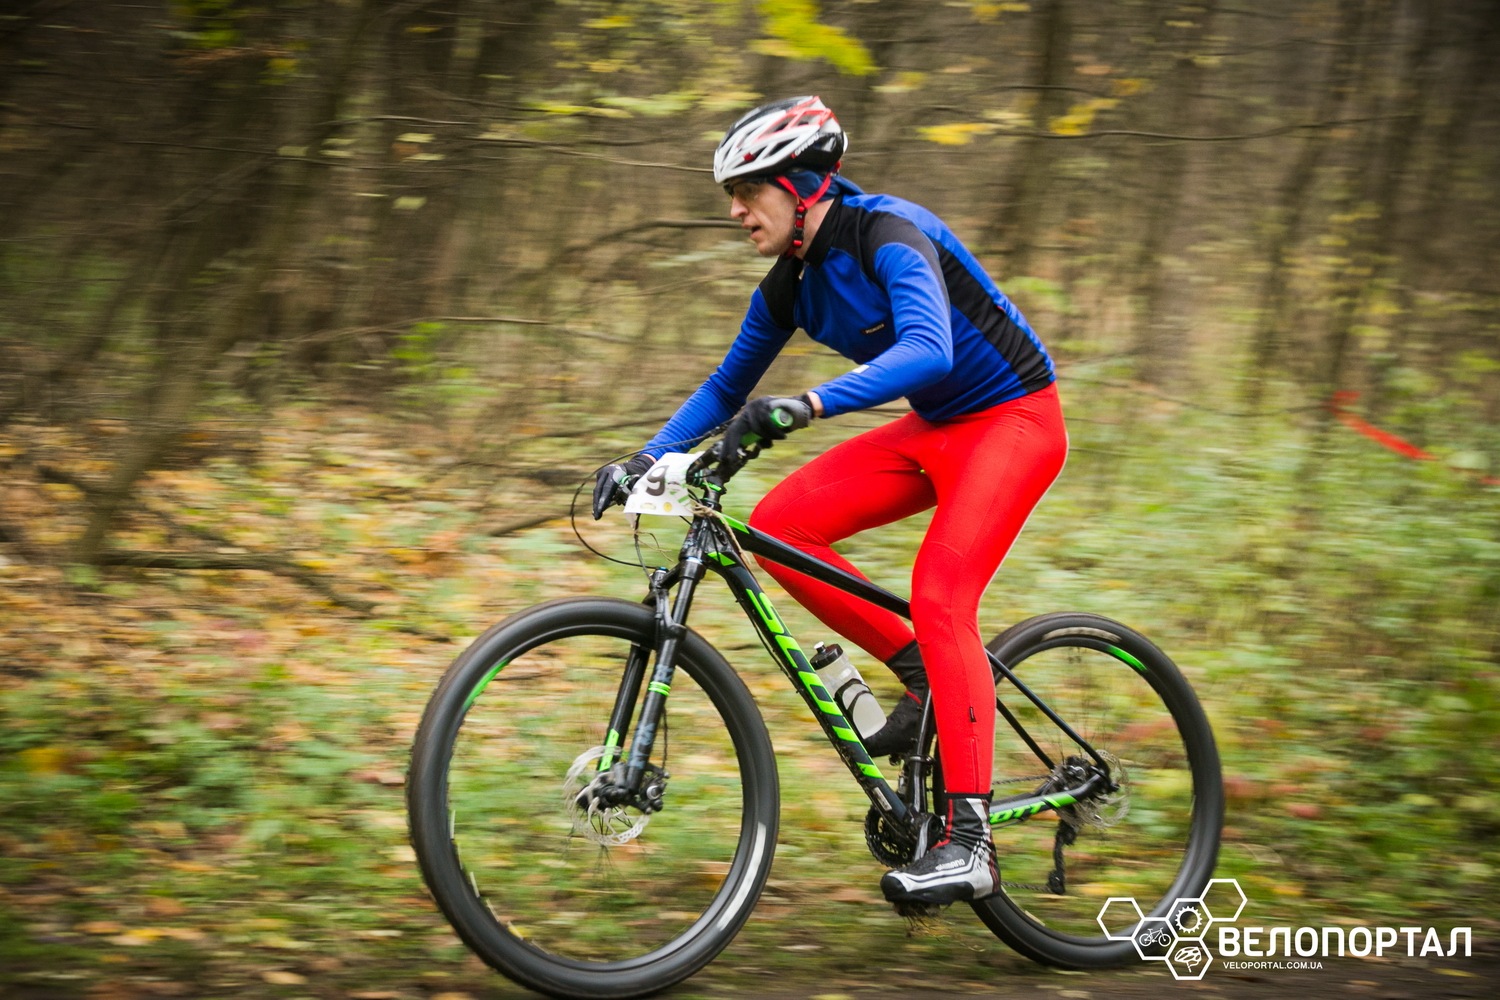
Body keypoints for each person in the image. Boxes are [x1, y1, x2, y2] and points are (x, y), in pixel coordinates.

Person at [592, 95, 1067, 907]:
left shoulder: (888, 232)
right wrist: (647, 456)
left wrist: (805, 405)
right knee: (780, 525)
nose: (736, 211)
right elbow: (726, 387)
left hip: (1014, 419)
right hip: (937, 429)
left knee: (941, 593)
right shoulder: (791, 287)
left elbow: (929, 349)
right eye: (731, 196)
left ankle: (971, 845)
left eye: (749, 191)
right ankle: (922, 675)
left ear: (803, 185)